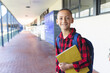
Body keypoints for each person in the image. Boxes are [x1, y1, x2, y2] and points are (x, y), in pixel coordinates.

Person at [55, 8, 91, 73]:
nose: (64, 21)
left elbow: (87, 60)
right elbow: (58, 59)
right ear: (57, 21)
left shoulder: (78, 39)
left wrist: (69, 66)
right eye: (61, 18)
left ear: (72, 20)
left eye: (67, 18)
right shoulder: (58, 39)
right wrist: (57, 70)